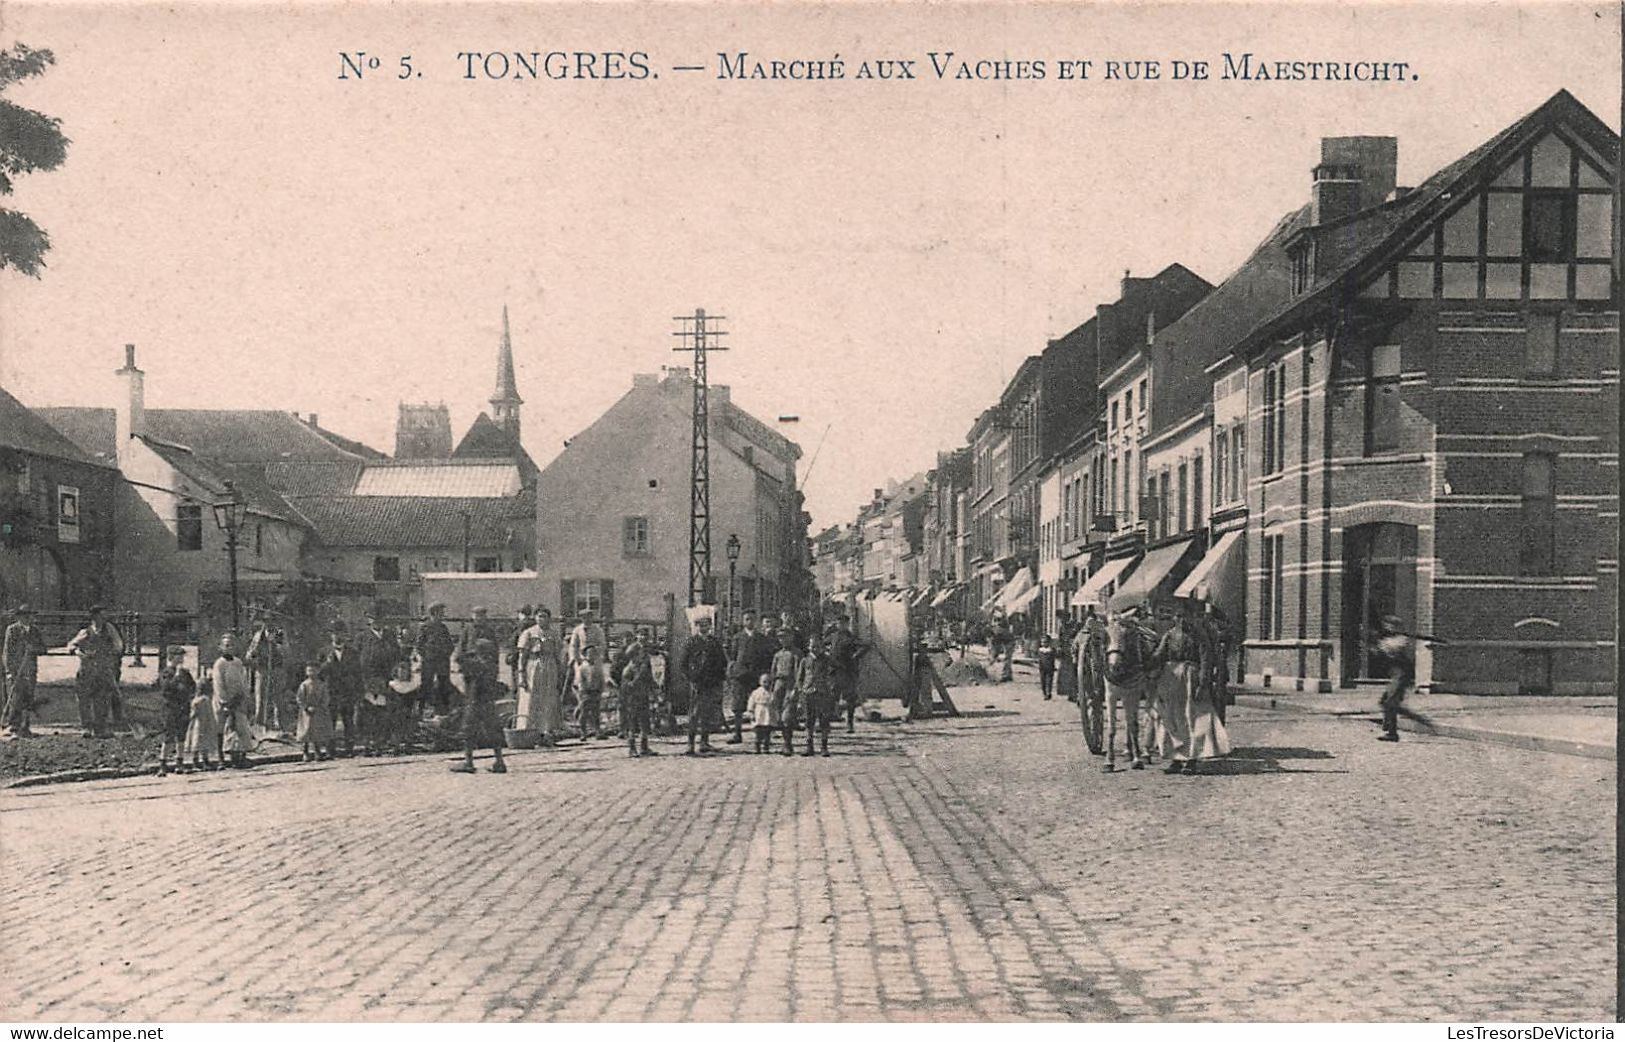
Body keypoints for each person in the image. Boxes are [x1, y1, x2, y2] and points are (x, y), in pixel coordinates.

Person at [1153, 600, 1224, 773]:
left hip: (1191, 676)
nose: (1181, 620)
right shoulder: (1169, 635)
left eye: (1184, 616)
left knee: (1191, 717)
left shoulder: (1199, 636)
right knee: (1172, 717)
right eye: (1178, 616)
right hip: (1171, 677)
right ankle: (1175, 758)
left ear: (1190, 618)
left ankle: (1192, 758)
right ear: (1174, 618)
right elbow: (1159, 655)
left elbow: (1206, 660)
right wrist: (1146, 661)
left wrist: (1202, 683)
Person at [1101, 605, 1155, 772]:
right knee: (1111, 720)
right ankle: (1109, 753)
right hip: (1112, 663)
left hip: (1129, 664)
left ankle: (1136, 751)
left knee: (1132, 717)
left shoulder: (1133, 629)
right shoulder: (1111, 625)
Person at [451, 638, 507, 774]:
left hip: (475, 701)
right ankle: (499, 761)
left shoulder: (475, 665)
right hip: (488, 702)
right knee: (493, 731)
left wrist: (465, 651)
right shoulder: (492, 665)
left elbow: (458, 658)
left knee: (468, 731)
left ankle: (468, 762)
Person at [1376, 615, 1435, 741]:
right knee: (1386, 702)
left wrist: (1380, 645)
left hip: (1402, 675)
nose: (1386, 627)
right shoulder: (1392, 638)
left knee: (1390, 703)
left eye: (1389, 625)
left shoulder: (1400, 639)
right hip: (1396, 674)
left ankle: (1395, 731)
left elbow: (1391, 650)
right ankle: (1392, 726)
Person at [66, 606, 123, 738]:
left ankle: (100, 728)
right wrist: (80, 653)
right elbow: (71, 645)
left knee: (102, 699)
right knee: (84, 699)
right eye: (99, 616)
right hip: (87, 670)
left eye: (104, 617)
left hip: (103, 669)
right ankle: (86, 727)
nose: (102, 619)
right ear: (94, 617)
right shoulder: (86, 631)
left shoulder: (110, 630)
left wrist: (109, 653)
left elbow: (119, 646)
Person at [680, 615, 728, 755]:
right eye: (701, 625)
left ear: (710, 626)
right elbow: (683, 664)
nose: (703, 628)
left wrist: (719, 679)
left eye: (706, 625)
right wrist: (691, 679)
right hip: (697, 682)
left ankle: (704, 742)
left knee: (707, 713)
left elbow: (722, 662)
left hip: (711, 682)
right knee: (694, 713)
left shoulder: (714, 642)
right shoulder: (691, 642)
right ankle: (690, 744)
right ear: (697, 627)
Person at [727, 611, 776, 745]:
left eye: (752, 619)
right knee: (738, 706)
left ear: (756, 622)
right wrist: (733, 672)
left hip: (756, 676)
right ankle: (737, 733)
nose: (750, 622)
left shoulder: (762, 639)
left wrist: (765, 676)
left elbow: (767, 658)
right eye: (747, 619)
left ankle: (761, 735)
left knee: (760, 706)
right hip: (741, 676)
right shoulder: (737, 638)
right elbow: (732, 657)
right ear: (743, 621)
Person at [516, 609, 564, 744]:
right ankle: (527, 731)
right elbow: (522, 656)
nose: (542, 619)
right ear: (535, 618)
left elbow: (558, 655)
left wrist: (560, 673)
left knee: (548, 698)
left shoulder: (554, 634)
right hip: (533, 665)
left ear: (549, 618)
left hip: (550, 665)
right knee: (531, 698)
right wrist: (522, 675)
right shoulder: (529, 633)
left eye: (545, 616)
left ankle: (547, 731)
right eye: (539, 616)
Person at [318, 623, 364, 756]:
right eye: (334, 633)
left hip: (347, 692)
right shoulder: (324, 652)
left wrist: (358, 692)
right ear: (330, 635)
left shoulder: (353, 652)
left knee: (348, 721)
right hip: (330, 692)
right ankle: (329, 750)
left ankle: (349, 749)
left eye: (340, 633)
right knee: (330, 721)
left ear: (345, 635)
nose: (337, 636)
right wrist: (327, 663)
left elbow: (358, 674)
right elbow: (318, 674)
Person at [211, 633, 255, 768]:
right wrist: (225, 702)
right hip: (224, 702)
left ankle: (239, 756)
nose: (229, 648)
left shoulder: (238, 662)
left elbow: (242, 681)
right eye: (226, 645)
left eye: (232, 645)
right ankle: (220, 758)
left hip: (238, 701)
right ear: (221, 647)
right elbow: (218, 684)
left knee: (240, 727)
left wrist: (244, 696)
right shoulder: (219, 664)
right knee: (222, 728)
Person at [2, 605, 47, 739]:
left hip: (30, 670)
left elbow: (43, 649)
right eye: (25, 616)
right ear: (19, 617)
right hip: (16, 671)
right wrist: (9, 671)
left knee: (28, 697)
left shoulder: (35, 631)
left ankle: (25, 727)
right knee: (16, 698)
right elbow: (7, 653)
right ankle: (13, 726)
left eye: (30, 615)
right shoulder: (12, 630)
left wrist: (33, 648)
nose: (28, 618)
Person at [154, 645, 195, 775]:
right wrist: (176, 676)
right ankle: (163, 763)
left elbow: (192, 686)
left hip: (183, 707)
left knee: (181, 735)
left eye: (182, 656)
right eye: (178, 656)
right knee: (169, 735)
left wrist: (189, 696)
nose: (181, 658)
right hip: (170, 708)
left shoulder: (186, 673)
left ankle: (179, 762)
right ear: (171, 657)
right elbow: (166, 689)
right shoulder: (166, 672)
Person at [619, 626, 659, 758]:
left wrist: (652, 684)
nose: (643, 638)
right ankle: (631, 747)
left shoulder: (645, 655)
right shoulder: (630, 662)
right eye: (641, 635)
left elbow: (647, 671)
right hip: (632, 692)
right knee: (632, 720)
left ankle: (644, 746)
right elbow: (627, 679)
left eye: (645, 636)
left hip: (643, 691)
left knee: (644, 719)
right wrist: (632, 683)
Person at [1073, 607, 1106, 755]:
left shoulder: (1102, 635)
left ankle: (1097, 736)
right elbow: (1074, 653)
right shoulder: (1082, 636)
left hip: (1101, 672)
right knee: (1093, 704)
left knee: (1096, 706)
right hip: (1087, 676)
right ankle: (1095, 738)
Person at [828, 616, 870, 734]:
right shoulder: (833, 636)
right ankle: (827, 723)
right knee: (831, 697)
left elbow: (866, 645)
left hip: (847, 671)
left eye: (843, 623)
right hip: (834, 671)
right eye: (838, 623)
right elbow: (824, 644)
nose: (840, 625)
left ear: (847, 624)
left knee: (850, 699)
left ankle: (850, 724)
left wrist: (856, 656)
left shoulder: (851, 637)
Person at [795, 637, 836, 757]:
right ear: (809, 647)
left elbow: (833, 674)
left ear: (822, 647)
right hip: (808, 692)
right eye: (813, 646)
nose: (815, 649)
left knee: (824, 720)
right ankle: (809, 746)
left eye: (818, 646)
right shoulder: (805, 660)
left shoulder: (827, 660)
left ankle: (824, 746)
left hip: (823, 693)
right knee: (809, 720)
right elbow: (800, 677)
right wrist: (801, 689)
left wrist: (831, 687)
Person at [245, 614, 285, 733]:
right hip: (262, 669)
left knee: (277, 697)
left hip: (276, 669)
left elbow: (286, 652)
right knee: (261, 697)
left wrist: (277, 645)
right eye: (266, 621)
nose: (269, 624)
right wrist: (253, 656)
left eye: (271, 621)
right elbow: (249, 654)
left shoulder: (280, 634)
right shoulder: (258, 636)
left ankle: (278, 724)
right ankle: (260, 723)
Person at [416, 603, 457, 715]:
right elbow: (419, 645)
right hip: (429, 663)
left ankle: (444, 710)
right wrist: (428, 656)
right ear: (434, 613)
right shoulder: (425, 627)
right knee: (426, 684)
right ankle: (422, 708)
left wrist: (446, 654)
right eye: (440, 612)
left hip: (443, 662)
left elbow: (450, 644)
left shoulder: (443, 628)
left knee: (444, 685)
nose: (442, 615)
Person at [769, 628, 800, 755]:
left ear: (791, 637)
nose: (783, 640)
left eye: (786, 637)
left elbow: (799, 673)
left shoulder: (796, 653)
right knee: (777, 715)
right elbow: (772, 672)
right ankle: (782, 741)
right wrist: (770, 690)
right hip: (778, 684)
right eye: (780, 637)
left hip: (790, 684)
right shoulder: (777, 655)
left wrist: (796, 689)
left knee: (787, 715)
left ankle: (788, 744)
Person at [296, 662, 334, 761]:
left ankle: (318, 752)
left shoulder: (322, 685)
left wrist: (320, 707)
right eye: (309, 671)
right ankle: (305, 752)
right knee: (306, 732)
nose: (311, 673)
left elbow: (326, 698)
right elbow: (299, 698)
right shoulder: (304, 685)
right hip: (306, 713)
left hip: (318, 712)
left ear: (318, 671)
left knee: (317, 732)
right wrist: (306, 707)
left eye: (314, 670)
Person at [184, 674, 219, 771]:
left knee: (197, 741)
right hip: (205, 723)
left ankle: (196, 760)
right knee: (204, 741)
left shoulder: (196, 700)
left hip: (198, 723)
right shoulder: (206, 700)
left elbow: (193, 713)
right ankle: (204, 760)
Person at [573, 642, 608, 740]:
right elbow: (580, 681)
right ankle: (583, 732)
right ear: (585, 655)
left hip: (596, 691)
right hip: (585, 692)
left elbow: (601, 678)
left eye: (593, 653)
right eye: (589, 653)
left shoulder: (598, 666)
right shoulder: (582, 667)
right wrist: (583, 691)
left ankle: (597, 731)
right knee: (584, 712)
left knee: (596, 712)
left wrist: (601, 689)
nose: (591, 655)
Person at [386, 659, 420, 753]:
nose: (402, 674)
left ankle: (408, 744)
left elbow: (416, 699)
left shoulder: (412, 685)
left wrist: (415, 708)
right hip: (396, 709)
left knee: (409, 723)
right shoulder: (393, 685)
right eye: (400, 672)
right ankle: (396, 745)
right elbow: (389, 699)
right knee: (396, 725)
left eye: (404, 672)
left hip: (409, 709)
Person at [747, 672, 777, 753]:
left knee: (767, 731)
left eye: (768, 682)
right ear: (760, 682)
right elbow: (751, 702)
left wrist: (775, 714)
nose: (766, 684)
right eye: (764, 682)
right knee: (758, 731)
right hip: (759, 712)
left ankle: (766, 747)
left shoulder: (772, 693)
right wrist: (751, 712)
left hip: (768, 712)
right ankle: (757, 747)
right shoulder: (756, 692)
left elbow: (775, 704)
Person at [1037, 635, 1057, 700]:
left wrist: (1054, 666)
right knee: (1043, 681)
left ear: (1049, 642)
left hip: (1050, 668)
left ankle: (1048, 693)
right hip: (1042, 668)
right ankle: (1044, 693)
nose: (1044, 644)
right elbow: (1039, 660)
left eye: (1045, 642)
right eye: (1042, 642)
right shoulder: (1040, 650)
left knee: (1049, 681)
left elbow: (1054, 659)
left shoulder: (1052, 650)